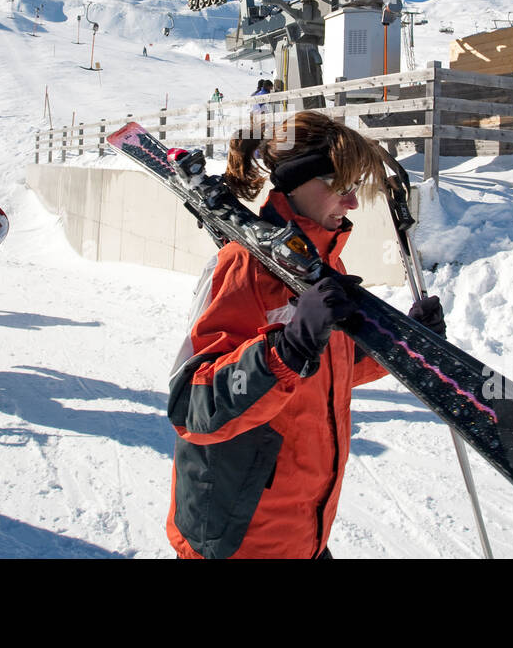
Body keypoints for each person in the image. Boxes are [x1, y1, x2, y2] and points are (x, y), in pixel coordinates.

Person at [164, 111, 446, 559]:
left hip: (305, 533)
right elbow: (191, 408)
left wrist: (405, 343)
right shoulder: (242, 268)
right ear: (295, 183)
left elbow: (330, 372)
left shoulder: (324, 269)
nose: (352, 204)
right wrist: (287, 349)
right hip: (239, 541)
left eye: (355, 190)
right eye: (340, 187)